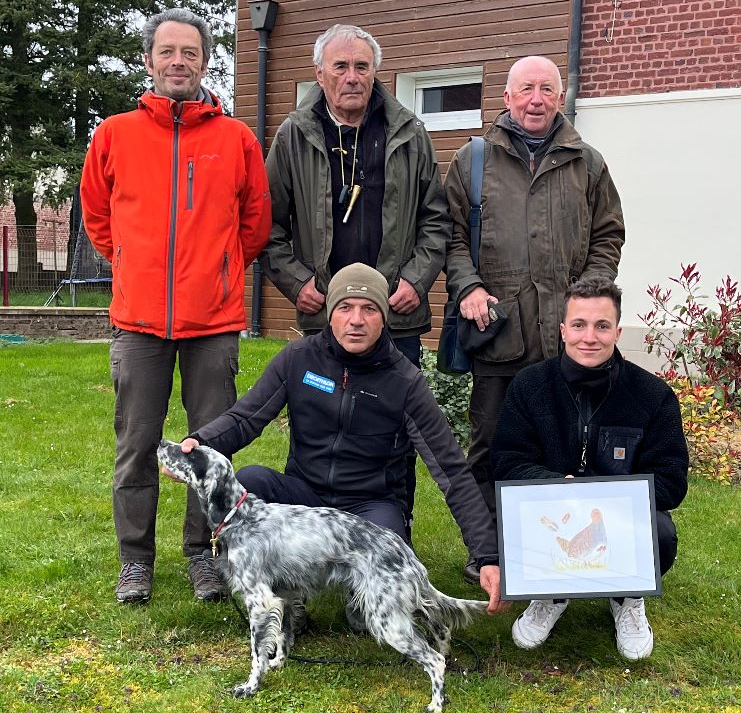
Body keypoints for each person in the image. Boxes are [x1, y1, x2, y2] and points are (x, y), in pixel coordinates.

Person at [180, 264, 501, 622]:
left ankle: (357, 596)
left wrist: (487, 555)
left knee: (366, 619)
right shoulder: (298, 359)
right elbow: (245, 419)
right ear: (330, 314)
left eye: (369, 309)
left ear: (384, 318)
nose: (356, 320)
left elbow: (452, 470)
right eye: (345, 308)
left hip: (370, 507)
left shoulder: (405, 382)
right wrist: (199, 443)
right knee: (252, 482)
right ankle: (284, 597)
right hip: (306, 499)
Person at [80, 7, 271, 605]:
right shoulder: (114, 134)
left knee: (207, 446)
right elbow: (97, 216)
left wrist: (216, 271)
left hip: (212, 323)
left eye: (190, 52)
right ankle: (135, 561)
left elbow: (255, 224)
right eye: (168, 52)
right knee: (136, 445)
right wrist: (133, 265)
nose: (178, 62)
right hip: (138, 324)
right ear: (149, 61)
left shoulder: (235, 139)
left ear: (206, 60)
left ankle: (204, 556)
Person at [260, 24, 450, 534]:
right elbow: (267, 224)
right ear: (318, 73)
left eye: (361, 66)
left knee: (396, 432)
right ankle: (309, 533)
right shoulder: (293, 136)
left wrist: (417, 278)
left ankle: (394, 531)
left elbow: (437, 219)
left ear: (376, 72)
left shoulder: (409, 132)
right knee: (320, 421)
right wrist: (295, 281)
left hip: (398, 316)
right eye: (340, 66)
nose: (351, 77)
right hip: (325, 314)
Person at [443, 55, 625, 584]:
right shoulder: (472, 161)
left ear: (561, 97)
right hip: (499, 334)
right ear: (506, 98)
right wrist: (468, 286)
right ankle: (489, 548)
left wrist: (587, 302)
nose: (536, 99)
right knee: (492, 444)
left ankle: (559, 550)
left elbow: (607, 236)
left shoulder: (587, 163)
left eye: (547, 88)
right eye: (526, 89)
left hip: (567, 340)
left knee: (567, 443)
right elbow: (450, 237)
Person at [489, 279, 689, 660]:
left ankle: (627, 595)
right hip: (553, 513)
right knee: (517, 520)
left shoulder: (653, 395)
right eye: (579, 325)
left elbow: (671, 480)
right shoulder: (529, 385)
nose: (590, 337)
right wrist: (558, 487)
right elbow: (506, 462)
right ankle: (552, 592)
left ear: (617, 330)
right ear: (563, 330)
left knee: (660, 532)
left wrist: (605, 497)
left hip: (614, 517)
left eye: (602, 326)